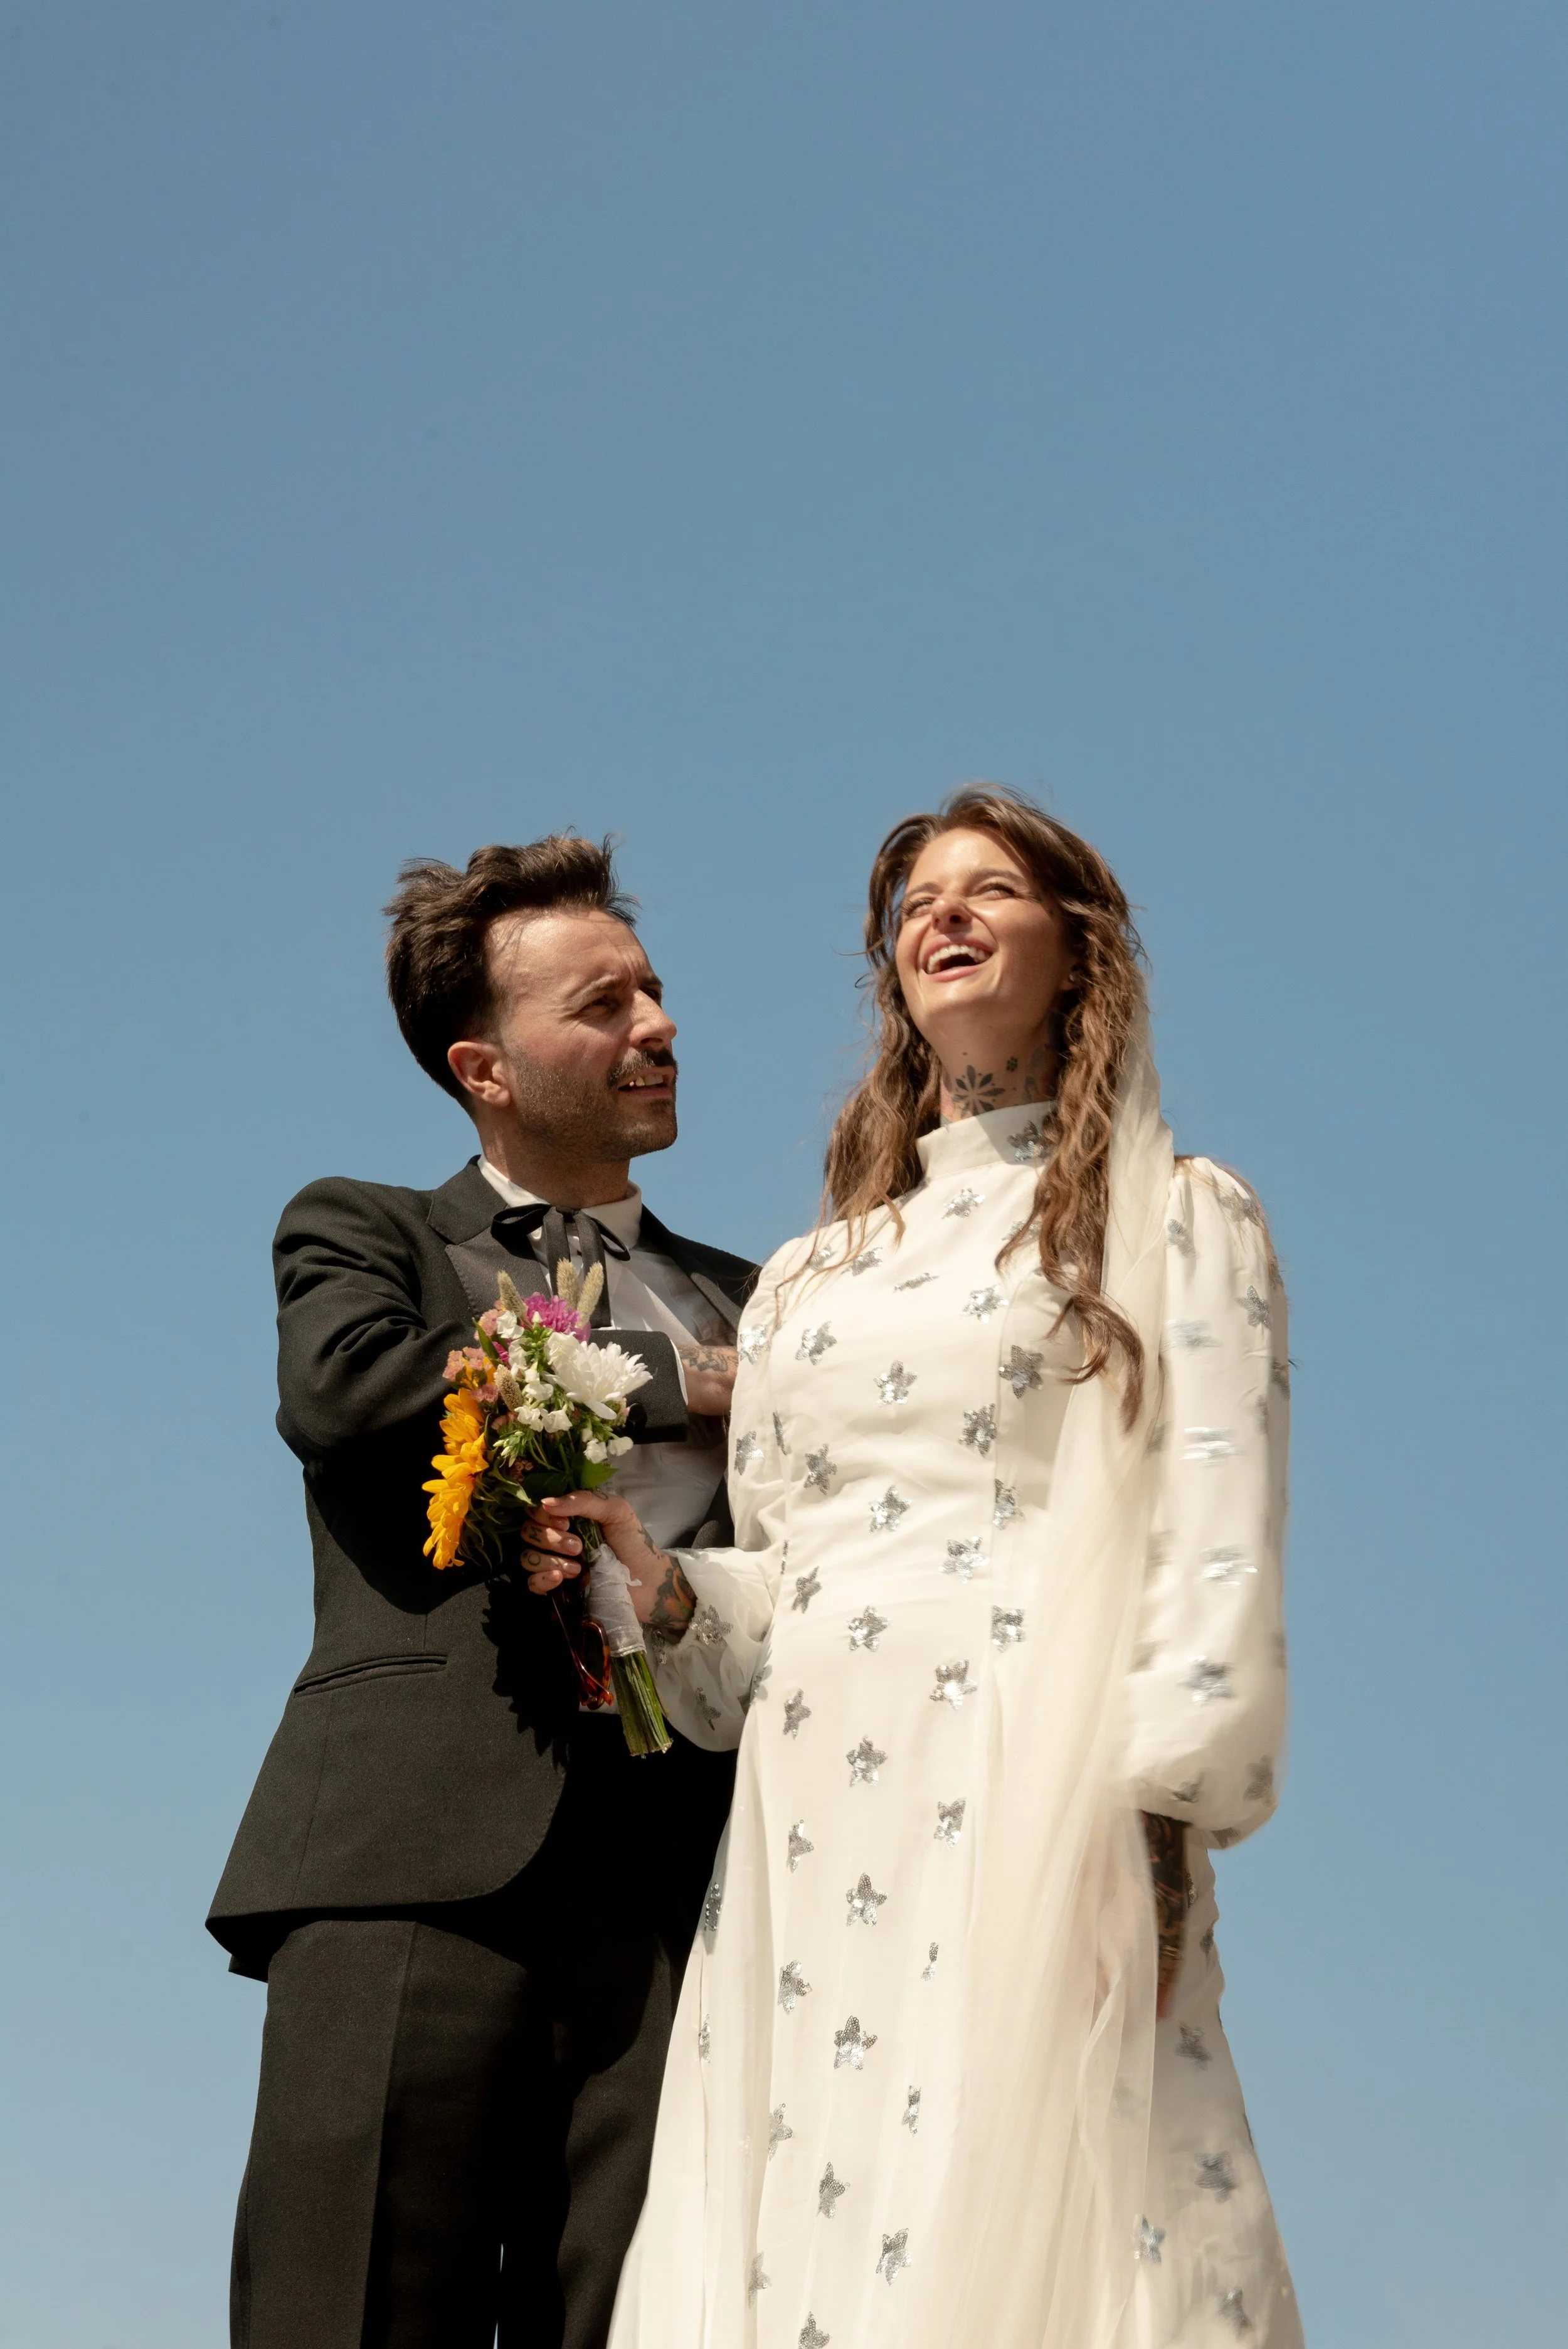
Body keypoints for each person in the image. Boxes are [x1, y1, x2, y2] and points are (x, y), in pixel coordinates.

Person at [522, 787, 1303, 2349]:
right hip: (813, 1808)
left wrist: (1155, 1828)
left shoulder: (1173, 1217)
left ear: (1075, 951)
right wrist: (655, 1580)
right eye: (914, 904)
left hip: (1033, 1775)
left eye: (988, 890)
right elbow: (778, 1585)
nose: (939, 917)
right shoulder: (815, 1274)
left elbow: (1213, 1530)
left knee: (1032, 2193)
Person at [208, 834, 756, 2349]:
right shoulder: (364, 1228)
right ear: (484, 1064)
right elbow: (347, 1396)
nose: (654, 1026)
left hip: (685, 1898)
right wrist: (674, 1384)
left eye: (652, 991)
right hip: (407, 1866)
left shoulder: (775, 1300)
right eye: (601, 1004)